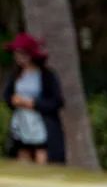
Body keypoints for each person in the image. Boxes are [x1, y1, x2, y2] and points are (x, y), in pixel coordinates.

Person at [3, 33, 65, 164]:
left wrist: (34, 104)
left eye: (22, 54)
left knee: (41, 153)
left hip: (41, 124)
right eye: (16, 54)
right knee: (22, 152)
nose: (18, 57)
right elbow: (7, 96)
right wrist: (14, 101)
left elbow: (57, 101)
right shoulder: (16, 75)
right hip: (21, 122)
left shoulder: (46, 76)